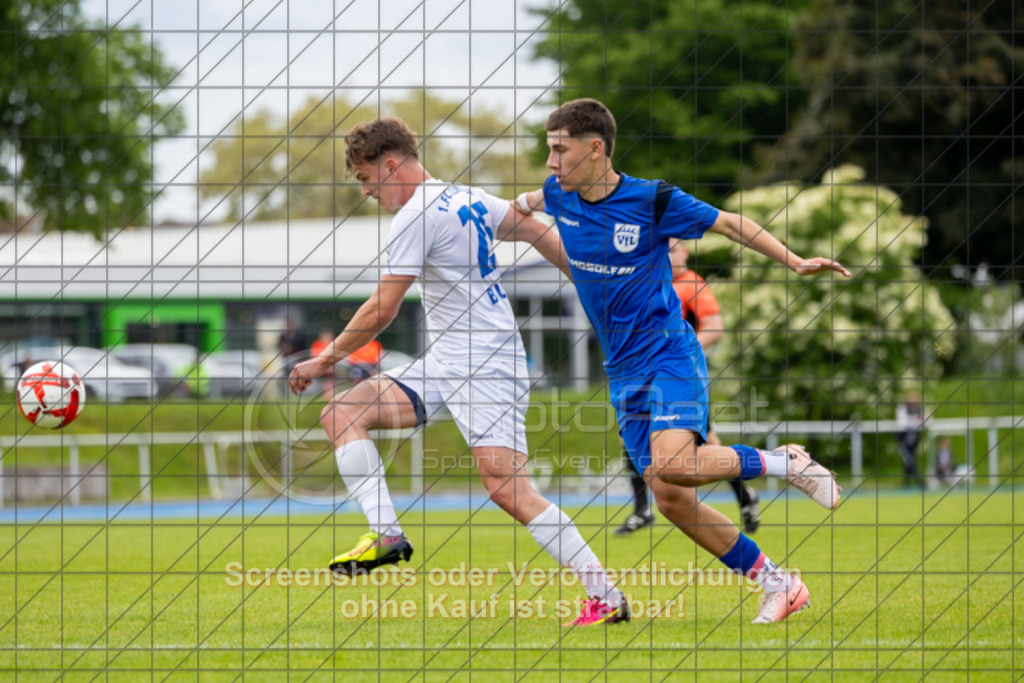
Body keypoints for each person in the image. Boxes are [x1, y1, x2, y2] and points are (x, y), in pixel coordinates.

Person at [515, 98, 850, 624]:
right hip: (622, 372)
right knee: (670, 498)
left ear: (595, 149)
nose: (551, 162)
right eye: (549, 149)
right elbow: (517, 206)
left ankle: (788, 462)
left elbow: (732, 224)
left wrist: (795, 261)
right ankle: (779, 584)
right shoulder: (558, 193)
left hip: (669, 353)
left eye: (560, 149)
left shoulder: (652, 200)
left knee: (674, 464)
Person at [288, 117, 629, 627]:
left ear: (390, 164)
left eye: (365, 179)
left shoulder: (414, 216)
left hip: (487, 361)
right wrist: (592, 280)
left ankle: (606, 596)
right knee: (341, 411)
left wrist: (323, 358)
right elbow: (533, 229)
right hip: (449, 360)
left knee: (508, 490)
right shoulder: (463, 196)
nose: (366, 191)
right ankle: (386, 534)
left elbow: (383, 308)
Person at [614, 240, 760, 536]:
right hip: (650, 378)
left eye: (672, 248)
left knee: (704, 446)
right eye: (662, 248)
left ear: (685, 252)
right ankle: (643, 509)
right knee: (633, 438)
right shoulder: (650, 284)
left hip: (679, 377)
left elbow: (715, 326)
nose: (666, 253)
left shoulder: (691, 283)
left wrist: (680, 353)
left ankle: (750, 491)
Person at [896, 393, 926, 487]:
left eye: (915, 402)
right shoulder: (902, 409)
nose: (913, 404)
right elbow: (902, 422)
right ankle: (919, 482)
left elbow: (927, 422)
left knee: (910, 461)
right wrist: (918, 421)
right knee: (909, 460)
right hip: (903, 441)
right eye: (912, 401)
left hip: (914, 441)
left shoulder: (921, 410)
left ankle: (906, 483)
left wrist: (921, 420)